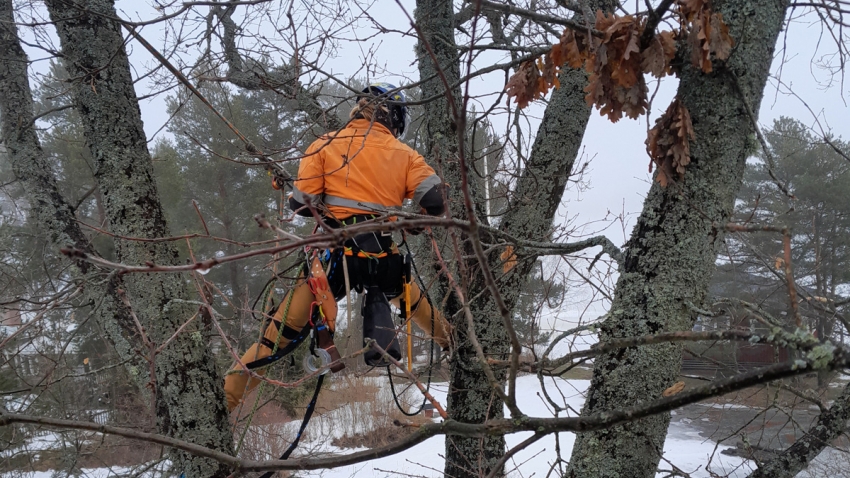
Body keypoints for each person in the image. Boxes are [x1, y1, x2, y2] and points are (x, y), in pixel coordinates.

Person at [223, 82, 451, 412]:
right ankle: (458, 346)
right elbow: (435, 200)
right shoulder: (406, 156)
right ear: (396, 118)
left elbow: (302, 205)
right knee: (418, 306)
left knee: (274, 339)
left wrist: (292, 192)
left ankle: (222, 406)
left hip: (335, 264)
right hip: (385, 260)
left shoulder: (325, 145)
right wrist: (413, 218)